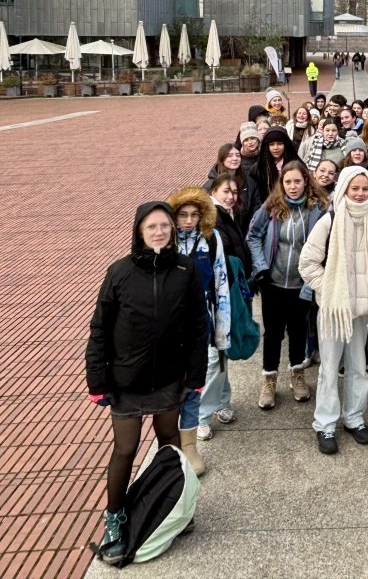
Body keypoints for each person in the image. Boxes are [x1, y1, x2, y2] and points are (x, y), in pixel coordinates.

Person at [86, 202, 208, 565]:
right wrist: (97, 380)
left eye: (165, 226)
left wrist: (196, 375)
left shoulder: (185, 269)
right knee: (125, 449)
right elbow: (100, 328)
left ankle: (173, 504)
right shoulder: (119, 272)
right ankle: (114, 518)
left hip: (169, 379)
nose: (159, 232)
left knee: (169, 441)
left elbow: (197, 325)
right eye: (151, 226)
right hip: (126, 381)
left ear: (173, 230)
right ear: (140, 231)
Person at [299, 166, 368, 454]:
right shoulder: (329, 220)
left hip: (362, 309)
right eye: (355, 188)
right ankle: (325, 424)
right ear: (344, 190)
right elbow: (307, 263)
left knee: (358, 366)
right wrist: (329, 289)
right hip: (334, 309)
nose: (360, 193)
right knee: (329, 368)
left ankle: (354, 417)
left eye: (365, 189)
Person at [247, 160, 329, 410]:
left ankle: (297, 374)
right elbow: (253, 235)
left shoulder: (317, 209)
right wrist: (260, 267)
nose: (292, 187)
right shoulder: (271, 207)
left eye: (297, 181)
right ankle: (269, 379)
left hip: (301, 283)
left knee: (298, 330)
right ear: (281, 184)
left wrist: (314, 278)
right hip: (273, 282)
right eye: (288, 182)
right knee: (273, 333)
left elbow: (325, 245)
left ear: (306, 182)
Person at [167, 187, 231, 460]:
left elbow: (221, 281)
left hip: (205, 311)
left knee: (213, 359)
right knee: (201, 363)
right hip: (176, 316)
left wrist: (223, 326)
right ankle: (224, 399)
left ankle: (203, 415)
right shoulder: (167, 241)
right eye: (183, 215)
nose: (189, 220)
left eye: (194, 214)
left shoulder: (211, 239)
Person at [253, 126, 299, 204]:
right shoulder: (258, 168)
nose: (276, 148)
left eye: (279, 144)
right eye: (272, 144)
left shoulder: (296, 165)